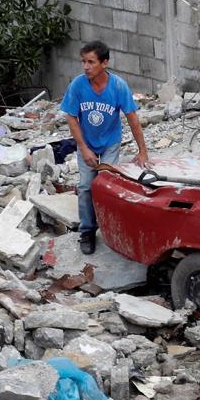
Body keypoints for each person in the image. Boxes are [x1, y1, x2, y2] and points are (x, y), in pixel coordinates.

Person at [62, 40, 149, 256]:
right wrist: (83, 149)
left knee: (106, 185)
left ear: (104, 62)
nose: (85, 66)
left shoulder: (118, 86)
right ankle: (88, 231)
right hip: (88, 143)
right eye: (83, 61)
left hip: (110, 142)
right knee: (84, 187)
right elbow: (71, 118)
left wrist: (143, 151)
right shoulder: (77, 86)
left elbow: (132, 118)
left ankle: (111, 228)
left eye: (91, 62)